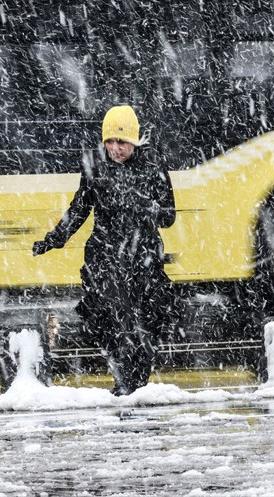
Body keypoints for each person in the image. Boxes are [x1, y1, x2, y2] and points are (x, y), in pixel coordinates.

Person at [32, 105, 176, 395]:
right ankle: (124, 384)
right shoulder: (94, 165)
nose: (114, 148)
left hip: (143, 258)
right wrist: (54, 238)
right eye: (109, 141)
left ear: (134, 141)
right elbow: (80, 207)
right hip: (106, 257)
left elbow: (169, 216)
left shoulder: (153, 165)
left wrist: (149, 208)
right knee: (118, 323)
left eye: (121, 142)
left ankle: (136, 386)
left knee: (145, 326)